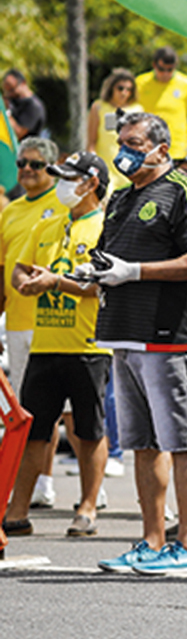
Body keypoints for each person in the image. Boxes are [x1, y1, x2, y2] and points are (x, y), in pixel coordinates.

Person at [90, 112, 187, 576]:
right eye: (122, 141)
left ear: (161, 149)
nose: (125, 150)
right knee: (142, 443)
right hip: (123, 332)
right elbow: (109, 259)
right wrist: (86, 275)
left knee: (182, 441)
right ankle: (151, 540)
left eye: (135, 142)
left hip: (167, 337)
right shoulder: (121, 198)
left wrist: (134, 272)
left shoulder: (184, 190)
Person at [1, 154, 111, 539]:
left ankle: (87, 506)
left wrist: (54, 283)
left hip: (89, 345)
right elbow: (19, 265)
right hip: (45, 344)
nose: (62, 184)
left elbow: (100, 284)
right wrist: (22, 281)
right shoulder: (48, 225)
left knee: (88, 430)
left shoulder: (105, 228)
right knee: (33, 429)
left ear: (91, 183)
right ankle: (16, 509)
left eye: (70, 178)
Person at [0, 136, 65, 509]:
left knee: (65, 413)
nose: (26, 169)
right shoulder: (10, 211)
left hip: (57, 322)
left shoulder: (63, 204)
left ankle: (47, 480)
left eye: (36, 164)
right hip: (18, 322)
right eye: (23, 163)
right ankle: (30, 481)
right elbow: (2, 270)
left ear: (51, 169)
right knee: (28, 409)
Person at [135, 47, 187, 159]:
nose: (166, 74)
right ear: (154, 65)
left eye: (170, 70)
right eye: (161, 69)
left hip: (177, 152)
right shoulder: (140, 83)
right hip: (146, 150)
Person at [86, 68, 143, 189]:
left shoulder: (137, 110)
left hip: (128, 169)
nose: (124, 93)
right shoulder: (98, 107)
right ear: (111, 87)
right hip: (105, 169)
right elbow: (91, 142)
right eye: (120, 88)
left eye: (129, 90)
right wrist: (93, 165)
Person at [2, 69, 47, 140]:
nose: (8, 94)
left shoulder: (34, 107)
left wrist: (5, 111)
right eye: (6, 91)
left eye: (12, 90)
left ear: (23, 83)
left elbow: (18, 133)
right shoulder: (12, 100)